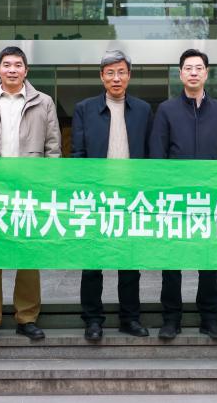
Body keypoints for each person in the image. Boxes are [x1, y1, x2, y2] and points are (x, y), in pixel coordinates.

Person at [0, 46, 61, 342]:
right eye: (7, 65)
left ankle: (26, 317)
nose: (12, 69)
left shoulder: (43, 102)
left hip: (29, 189)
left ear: (26, 70)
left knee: (28, 255)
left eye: (18, 65)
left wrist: (46, 187)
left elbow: (53, 148)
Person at [149, 49, 217, 340]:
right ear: (181, 74)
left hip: (210, 200)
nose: (194, 72)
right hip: (174, 200)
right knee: (171, 264)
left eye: (199, 68)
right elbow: (157, 157)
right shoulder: (166, 110)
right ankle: (171, 318)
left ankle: (210, 318)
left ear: (206, 73)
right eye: (188, 68)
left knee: (209, 263)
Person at [72, 50, 153, 341]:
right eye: (110, 73)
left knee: (129, 262)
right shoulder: (84, 109)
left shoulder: (143, 110)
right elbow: (78, 154)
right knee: (92, 263)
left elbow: (151, 154)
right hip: (96, 196)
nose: (116, 78)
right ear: (101, 77)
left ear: (129, 76)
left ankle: (130, 318)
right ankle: (93, 319)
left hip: (132, 197)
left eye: (121, 72)